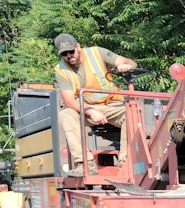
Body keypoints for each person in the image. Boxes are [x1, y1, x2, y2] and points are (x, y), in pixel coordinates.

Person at [52, 33, 137, 172]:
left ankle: (125, 162)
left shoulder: (96, 53)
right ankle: (85, 164)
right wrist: (90, 111)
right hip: (87, 109)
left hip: (113, 105)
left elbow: (131, 63)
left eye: (71, 51)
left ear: (78, 46)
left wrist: (126, 66)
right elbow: (69, 101)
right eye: (64, 54)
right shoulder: (61, 70)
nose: (69, 56)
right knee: (66, 114)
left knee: (132, 112)